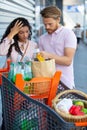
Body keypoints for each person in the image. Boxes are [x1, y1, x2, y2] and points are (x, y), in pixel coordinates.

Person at [38, 6, 77, 89]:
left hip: (65, 84)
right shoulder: (42, 38)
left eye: (50, 24)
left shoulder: (68, 34)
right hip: (47, 84)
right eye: (45, 24)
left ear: (58, 20)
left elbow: (68, 61)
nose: (47, 27)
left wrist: (49, 55)